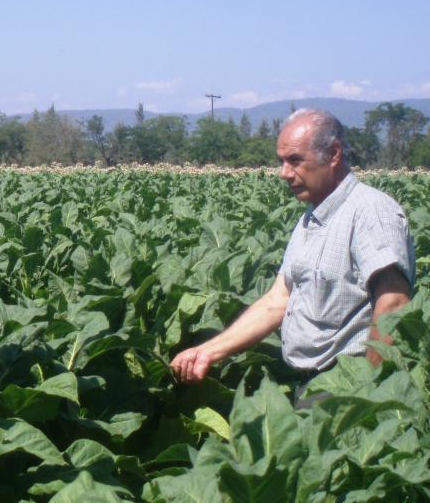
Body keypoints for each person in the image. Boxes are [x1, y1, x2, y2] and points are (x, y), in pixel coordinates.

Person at [170, 108, 414, 405]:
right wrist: (208, 351)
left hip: (347, 389)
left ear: (334, 154)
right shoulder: (311, 218)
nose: (284, 172)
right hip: (313, 386)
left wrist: (371, 396)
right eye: (282, 161)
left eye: (295, 160)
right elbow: (277, 301)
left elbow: (394, 306)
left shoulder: (370, 211)